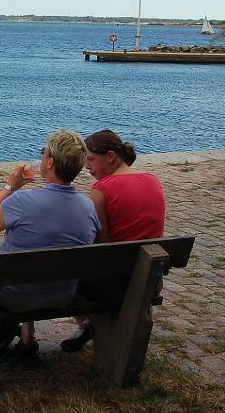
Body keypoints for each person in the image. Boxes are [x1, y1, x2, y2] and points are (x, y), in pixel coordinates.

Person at [0, 130, 101, 356]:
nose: (41, 156)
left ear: (50, 163)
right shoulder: (88, 207)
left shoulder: (21, 202)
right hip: (62, 294)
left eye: (44, 152)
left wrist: (10, 188)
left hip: (14, 296)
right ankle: (27, 335)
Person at [60, 129, 166, 352]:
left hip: (115, 285)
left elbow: (101, 244)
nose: (87, 167)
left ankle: (87, 324)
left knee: (66, 275)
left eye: (91, 159)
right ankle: (91, 327)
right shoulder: (152, 180)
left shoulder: (101, 189)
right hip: (150, 281)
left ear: (110, 156)